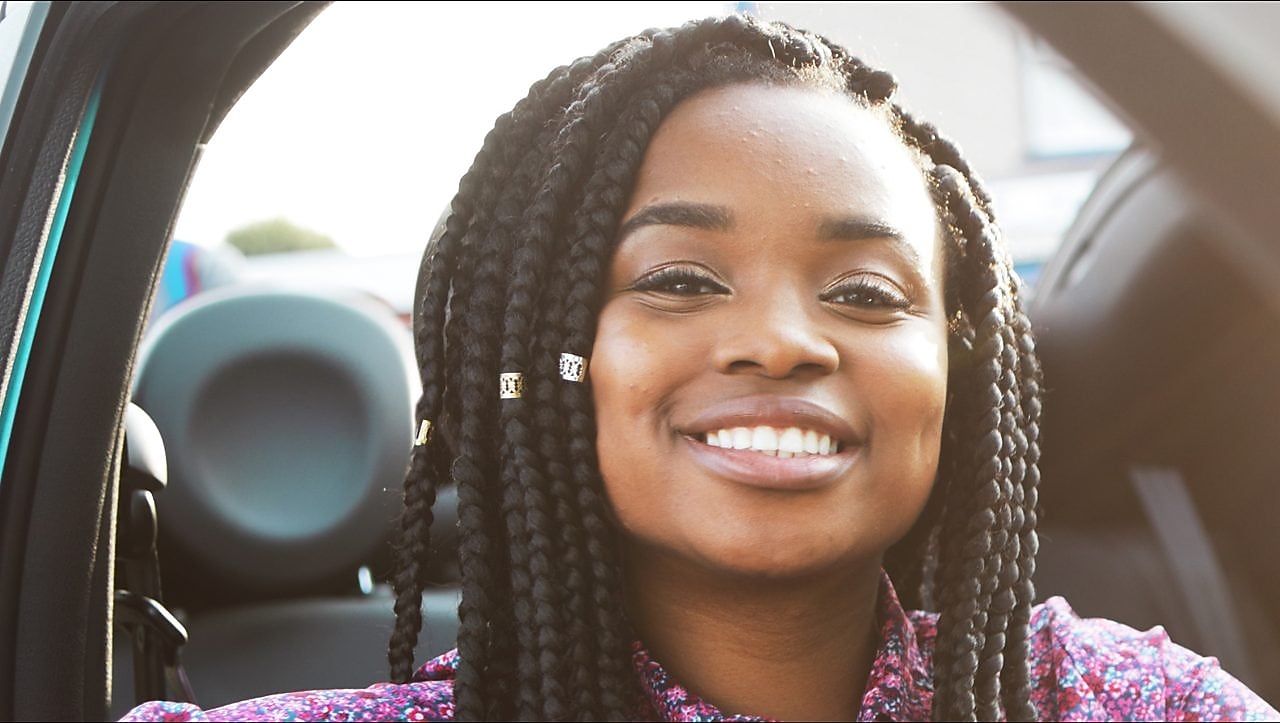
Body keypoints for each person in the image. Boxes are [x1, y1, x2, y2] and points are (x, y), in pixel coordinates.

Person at [123, 14, 1277, 722]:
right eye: (677, 279)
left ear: (954, 373)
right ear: (549, 357)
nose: (779, 340)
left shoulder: (1136, 705)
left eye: (866, 293)